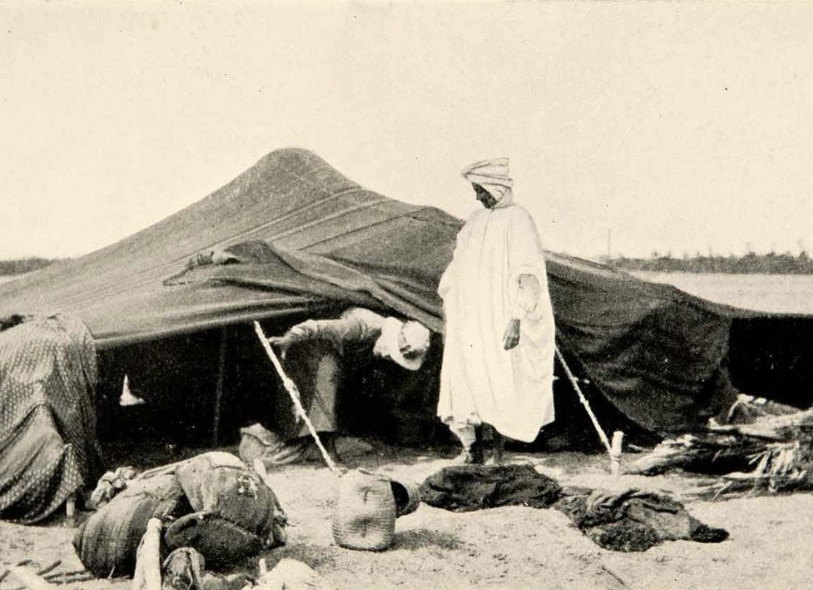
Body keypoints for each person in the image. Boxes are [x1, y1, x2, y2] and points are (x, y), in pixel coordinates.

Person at [437, 158, 556, 464]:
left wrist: (516, 318)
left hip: (499, 317)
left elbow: (528, 274)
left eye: (481, 190)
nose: (478, 197)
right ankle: (471, 449)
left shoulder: (519, 220)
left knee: (499, 379)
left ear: (497, 188)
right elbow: (457, 265)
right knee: (467, 379)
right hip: (471, 318)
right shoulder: (475, 222)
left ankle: (497, 452)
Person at [263, 307, 432, 462]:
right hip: (313, 350)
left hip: (335, 355)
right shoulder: (361, 326)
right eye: (390, 351)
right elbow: (322, 327)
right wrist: (292, 336)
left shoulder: (380, 339)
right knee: (327, 377)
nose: (386, 354)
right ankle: (317, 443)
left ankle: (327, 439)